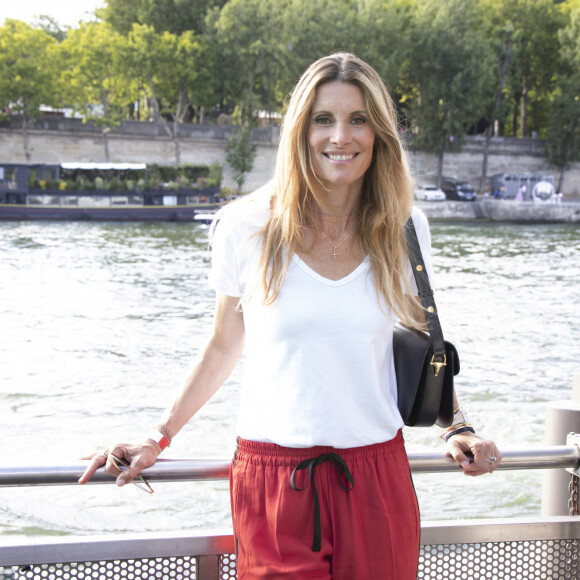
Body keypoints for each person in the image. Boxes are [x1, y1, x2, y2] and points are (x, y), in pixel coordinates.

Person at [79, 53, 501, 579]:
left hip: (376, 476)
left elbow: (423, 341)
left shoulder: (405, 226)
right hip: (274, 480)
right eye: (324, 119)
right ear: (300, 130)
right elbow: (222, 346)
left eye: (359, 119)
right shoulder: (245, 226)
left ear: (380, 134)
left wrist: (456, 424)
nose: (340, 136)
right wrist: (158, 436)